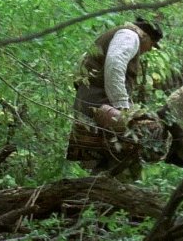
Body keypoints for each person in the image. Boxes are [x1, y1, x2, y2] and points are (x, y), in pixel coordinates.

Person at [68, 18, 164, 172]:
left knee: (100, 161)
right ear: (145, 36)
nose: (150, 49)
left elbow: (83, 63)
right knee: (142, 136)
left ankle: (98, 183)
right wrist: (122, 106)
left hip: (90, 101)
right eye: (152, 44)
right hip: (100, 104)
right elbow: (115, 64)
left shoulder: (119, 34)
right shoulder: (130, 36)